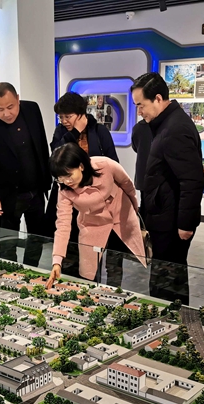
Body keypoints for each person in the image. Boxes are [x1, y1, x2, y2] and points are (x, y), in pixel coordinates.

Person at [130, 72, 204, 305]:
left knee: (170, 279)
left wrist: (185, 224)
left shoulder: (175, 129)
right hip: (163, 214)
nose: (139, 112)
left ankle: (172, 318)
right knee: (164, 276)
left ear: (158, 98)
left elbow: (192, 180)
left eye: (141, 105)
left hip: (171, 222)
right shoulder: (165, 124)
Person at [46, 143, 146, 289]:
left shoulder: (105, 165)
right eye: (60, 178)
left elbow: (127, 184)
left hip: (120, 217)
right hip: (92, 225)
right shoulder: (64, 189)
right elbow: (63, 224)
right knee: (90, 272)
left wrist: (134, 209)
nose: (66, 181)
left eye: (69, 175)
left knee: (115, 266)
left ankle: (113, 295)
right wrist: (57, 261)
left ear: (81, 166)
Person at [0, 82, 51, 267]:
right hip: (8, 195)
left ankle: (30, 271)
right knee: (8, 243)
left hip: (36, 191)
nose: (6, 113)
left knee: (36, 239)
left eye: (10, 107)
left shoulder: (32, 109)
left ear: (18, 99)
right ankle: (9, 276)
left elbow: (41, 143)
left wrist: (47, 178)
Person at [46, 91, 119, 278]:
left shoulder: (99, 131)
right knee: (70, 246)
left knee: (97, 252)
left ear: (81, 114)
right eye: (61, 117)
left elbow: (113, 164)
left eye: (68, 116)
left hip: (95, 201)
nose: (64, 121)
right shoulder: (61, 132)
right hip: (70, 196)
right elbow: (56, 158)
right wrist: (74, 133)